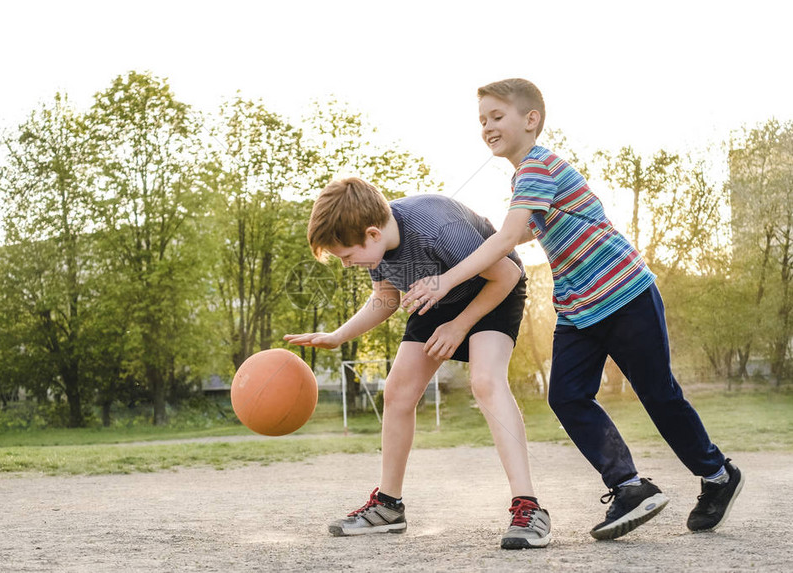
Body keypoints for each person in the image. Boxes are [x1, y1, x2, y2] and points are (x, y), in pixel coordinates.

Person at [401, 78, 743, 540]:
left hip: (623, 292)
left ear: (531, 119)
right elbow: (521, 232)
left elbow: (507, 239)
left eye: (496, 117)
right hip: (578, 308)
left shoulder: (537, 166)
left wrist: (445, 279)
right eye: (482, 120)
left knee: (657, 392)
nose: (487, 127)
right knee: (566, 395)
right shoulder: (525, 178)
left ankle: (718, 475)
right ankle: (629, 486)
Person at [284, 177, 551, 549]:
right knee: (397, 393)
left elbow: (507, 273)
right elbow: (386, 298)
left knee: (486, 382)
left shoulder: (436, 226)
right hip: (435, 296)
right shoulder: (376, 249)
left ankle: (529, 507)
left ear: (372, 233)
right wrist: (338, 336)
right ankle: (388, 507)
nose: (347, 265)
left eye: (347, 256)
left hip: (495, 290)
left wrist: (460, 326)